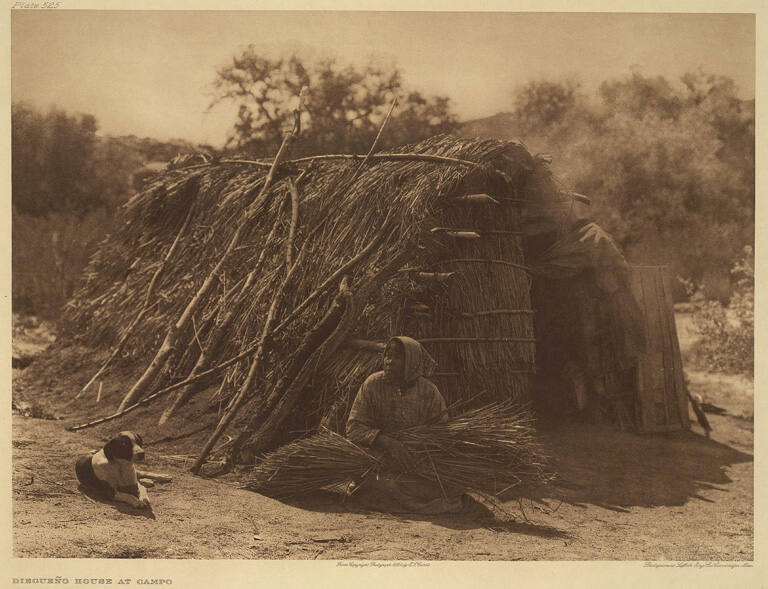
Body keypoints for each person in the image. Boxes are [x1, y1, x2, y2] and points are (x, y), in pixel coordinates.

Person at [345, 336, 466, 514]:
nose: (389, 362)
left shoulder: (428, 391)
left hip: (415, 464)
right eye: (388, 356)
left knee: (450, 484)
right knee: (378, 481)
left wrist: (418, 449)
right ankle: (426, 504)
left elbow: (442, 433)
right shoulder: (373, 384)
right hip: (379, 462)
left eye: (398, 357)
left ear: (412, 362)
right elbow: (353, 428)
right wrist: (388, 443)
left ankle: (402, 498)